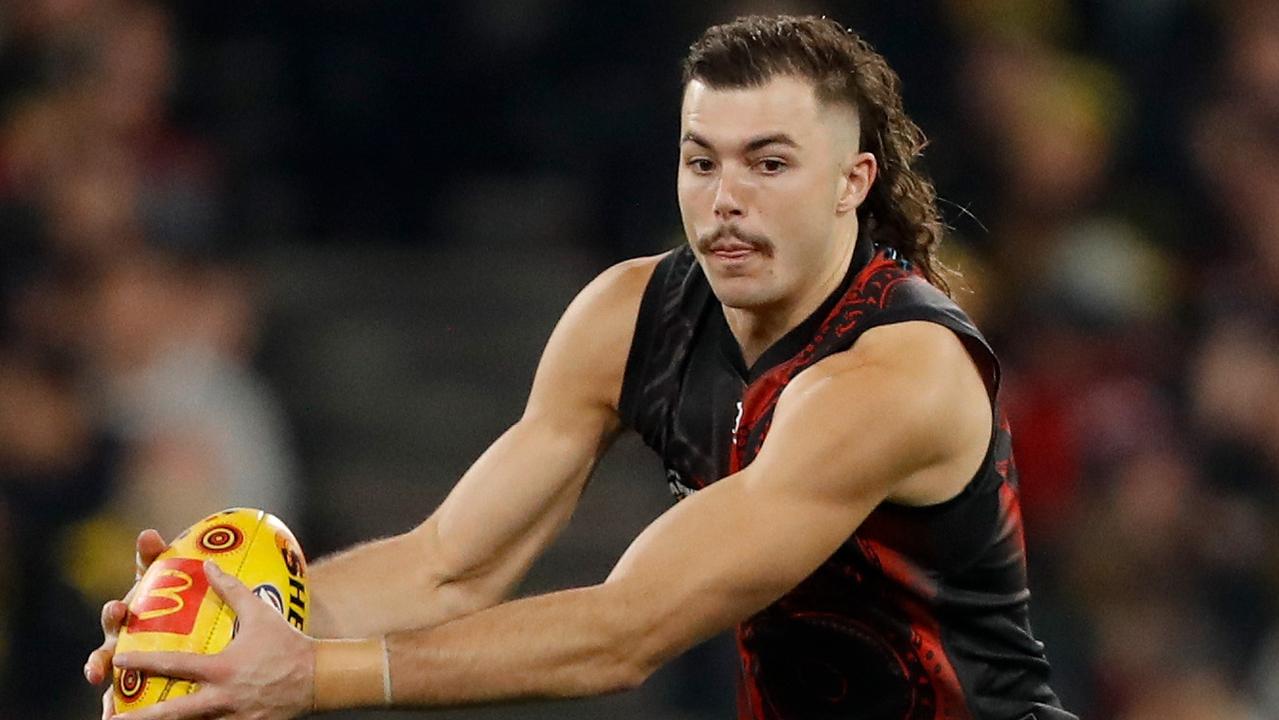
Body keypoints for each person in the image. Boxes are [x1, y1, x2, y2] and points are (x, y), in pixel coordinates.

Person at [85, 15, 1077, 720]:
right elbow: (447, 564)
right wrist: (232, 625)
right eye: (702, 161)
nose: (725, 198)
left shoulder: (895, 374)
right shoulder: (631, 316)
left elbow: (623, 634)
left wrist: (311, 678)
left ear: (851, 184)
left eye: (769, 164)